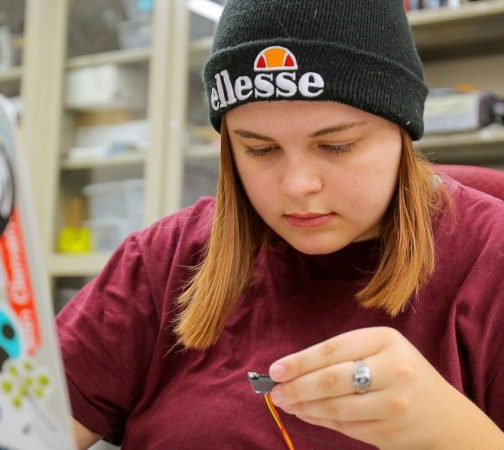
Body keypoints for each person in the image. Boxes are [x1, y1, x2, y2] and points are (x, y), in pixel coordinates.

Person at [55, 0, 504, 449]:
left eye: (337, 145)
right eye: (259, 150)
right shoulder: (163, 260)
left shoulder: (491, 262)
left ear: (401, 132)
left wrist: (456, 434)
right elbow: (26, 425)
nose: (297, 185)